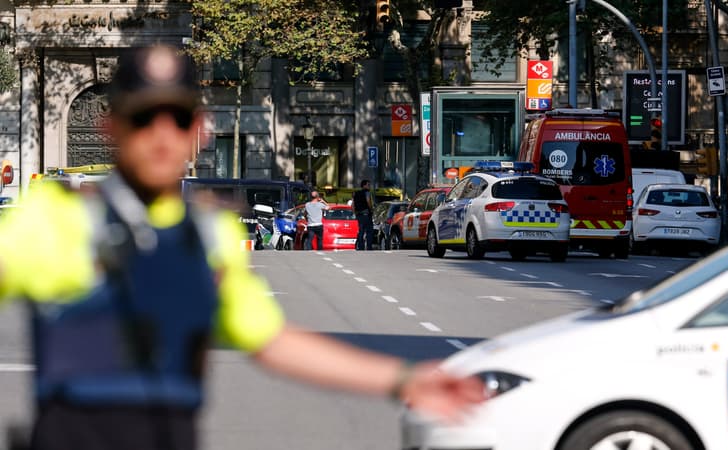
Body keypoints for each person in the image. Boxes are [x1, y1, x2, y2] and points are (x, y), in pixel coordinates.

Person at [0, 45, 484, 450]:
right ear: (113, 128)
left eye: (178, 117)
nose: (162, 135)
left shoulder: (210, 236)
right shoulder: (55, 219)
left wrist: (403, 380)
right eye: (144, 117)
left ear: (199, 129)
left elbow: (271, 342)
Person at [352, 179, 374, 250]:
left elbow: (353, 205)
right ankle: (369, 247)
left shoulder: (356, 193)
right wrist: (371, 209)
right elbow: (368, 200)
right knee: (369, 231)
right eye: (368, 185)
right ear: (364, 185)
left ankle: (360, 246)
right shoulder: (367, 192)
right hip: (366, 215)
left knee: (361, 231)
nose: (369, 186)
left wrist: (355, 213)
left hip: (359, 215)